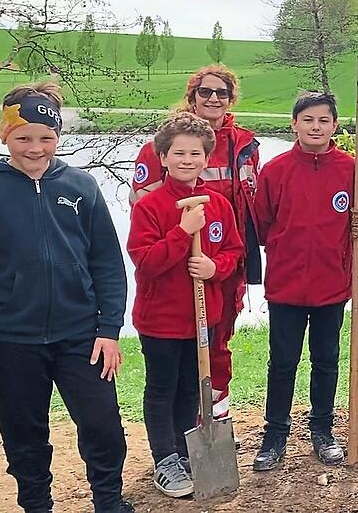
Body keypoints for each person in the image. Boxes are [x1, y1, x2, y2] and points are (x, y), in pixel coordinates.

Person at [0, 83, 133, 512]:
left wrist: (109, 329)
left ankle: (109, 501)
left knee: (103, 427)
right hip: (11, 340)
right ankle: (36, 505)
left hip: (82, 336)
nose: (35, 148)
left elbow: (108, 266)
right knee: (24, 435)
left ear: (58, 136)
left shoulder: (81, 187)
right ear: (4, 136)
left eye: (46, 137)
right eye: (23, 137)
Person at [130, 65, 261, 421]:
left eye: (221, 93)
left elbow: (252, 206)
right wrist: (182, 235)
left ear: (231, 98)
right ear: (192, 96)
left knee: (218, 343)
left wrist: (226, 263)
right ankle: (177, 438)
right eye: (205, 92)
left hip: (222, 261)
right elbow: (143, 210)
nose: (213, 99)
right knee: (175, 366)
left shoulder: (245, 145)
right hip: (174, 270)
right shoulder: (165, 144)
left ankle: (214, 418)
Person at [252, 92, 358, 471]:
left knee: (326, 360)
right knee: (283, 362)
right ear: (294, 124)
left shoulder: (351, 170)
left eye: (323, 120)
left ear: (335, 126)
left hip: (330, 285)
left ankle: (322, 430)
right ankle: (275, 435)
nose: (315, 127)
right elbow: (263, 224)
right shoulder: (276, 170)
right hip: (286, 284)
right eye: (308, 120)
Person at [127, 113, 244, 498]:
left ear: (207, 159)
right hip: (161, 319)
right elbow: (147, 260)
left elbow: (233, 252)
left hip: (202, 318)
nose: (187, 160)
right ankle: (165, 459)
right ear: (162, 157)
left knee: (192, 390)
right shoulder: (150, 207)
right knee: (162, 388)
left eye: (196, 153)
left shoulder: (220, 205)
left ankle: (184, 448)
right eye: (178, 153)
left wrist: (214, 267)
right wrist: (183, 232)